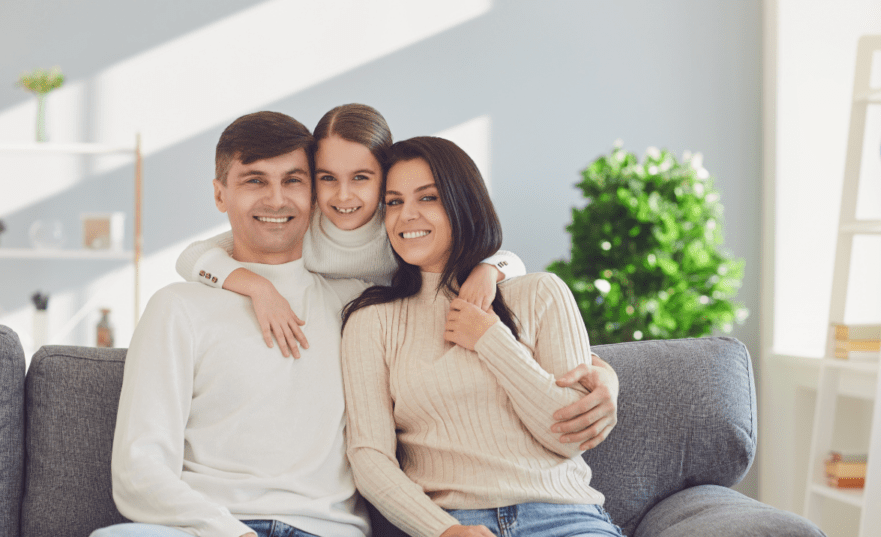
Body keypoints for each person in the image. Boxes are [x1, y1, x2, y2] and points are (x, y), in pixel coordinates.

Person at [71, 111, 431, 537]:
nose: (276, 199)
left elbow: (460, 283)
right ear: (220, 193)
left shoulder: (359, 305)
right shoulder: (177, 307)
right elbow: (139, 469)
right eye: (255, 180)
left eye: (293, 181)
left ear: (315, 195)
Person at [176, 103, 620, 449]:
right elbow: (192, 257)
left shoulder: (400, 231)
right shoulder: (302, 226)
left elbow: (511, 260)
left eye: (362, 178)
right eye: (327, 178)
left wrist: (487, 269)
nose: (344, 196)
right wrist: (258, 287)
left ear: (384, 179)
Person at [341, 136, 638, 537]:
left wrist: (490, 339)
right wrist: (439, 531)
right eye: (394, 201)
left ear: (464, 203)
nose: (408, 215)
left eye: (429, 197)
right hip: (455, 534)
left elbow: (568, 436)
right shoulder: (372, 320)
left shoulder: (541, 292)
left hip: (567, 524)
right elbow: (370, 457)